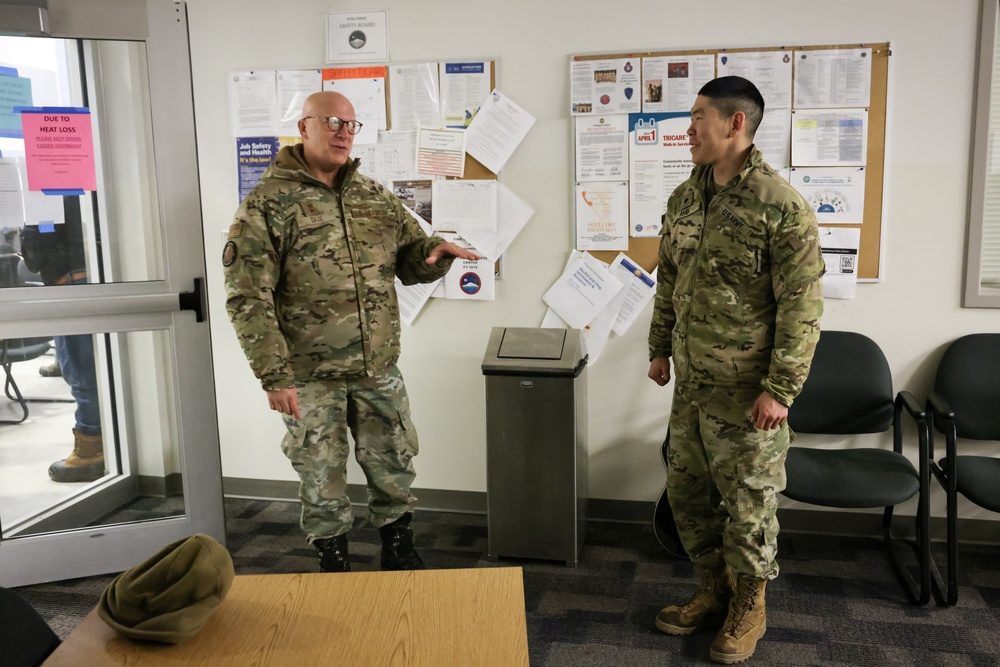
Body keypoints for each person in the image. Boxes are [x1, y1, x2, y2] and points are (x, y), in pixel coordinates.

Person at [223, 91, 479, 573]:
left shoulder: (372, 195)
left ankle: (398, 547)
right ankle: (333, 559)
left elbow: (409, 257)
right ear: (304, 127)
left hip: (377, 366)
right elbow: (247, 298)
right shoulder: (267, 205)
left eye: (351, 125)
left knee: (395, 460)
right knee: (320, 473)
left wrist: (433, 257)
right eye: (333, 122)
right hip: (308, 373)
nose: (343, 132)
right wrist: (273, 376)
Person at [646, 76, 824, 665]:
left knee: (749, 502)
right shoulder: (685, 197)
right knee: (688, 494)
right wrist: (659, 347)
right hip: (693, 388)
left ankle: (750, 605)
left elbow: (802, 306)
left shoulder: (780, 205)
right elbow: (668, 278)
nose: (689, 129)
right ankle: (712, 589)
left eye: (699, 117)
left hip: (748, 396)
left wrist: (780, 390)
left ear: (735, 124)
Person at [19, 197, 104, 483]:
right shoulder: (93, 183)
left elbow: (34, 256)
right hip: (101, 277)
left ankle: (90, 448)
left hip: (69, 282)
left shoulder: (44, 191)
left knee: (80, 369)